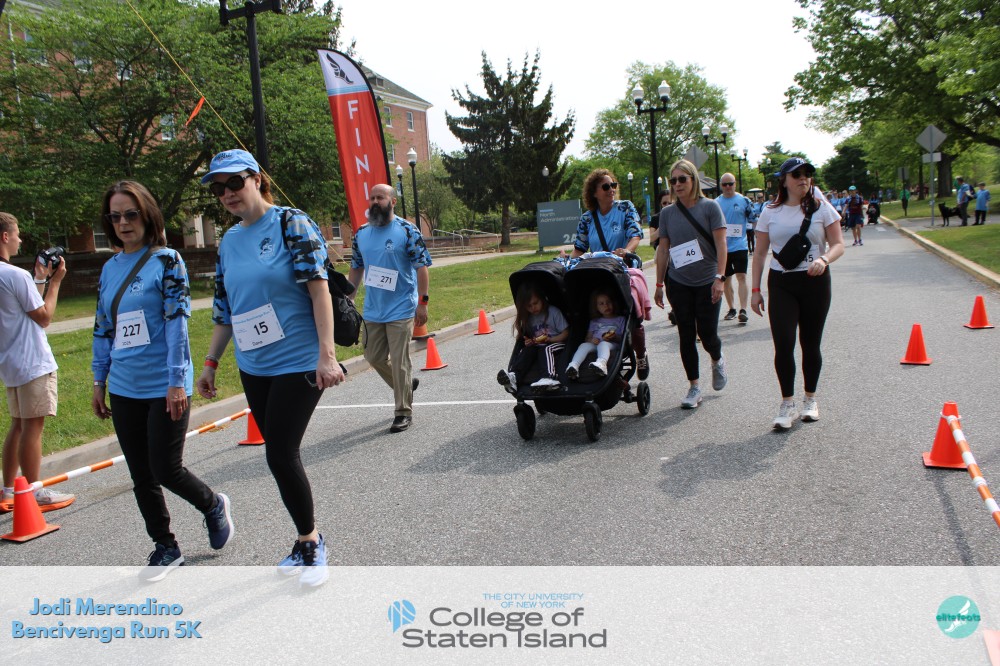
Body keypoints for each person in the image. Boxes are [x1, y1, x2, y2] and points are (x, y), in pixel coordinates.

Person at [196, 149, 344, 588]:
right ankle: (304, 541)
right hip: (253, 364)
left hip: (298, 359)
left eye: (234, 183)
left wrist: (327, 354)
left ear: (257, 179)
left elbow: (319, 290)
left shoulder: (290, 223)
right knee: (277, 454)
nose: (227, 193)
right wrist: (211, 363)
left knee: (280, 452)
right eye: (218, 188)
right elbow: (225, 307)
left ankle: (311, 542)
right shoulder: (228, 241)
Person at [91, 181, 232, 581]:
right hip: (124, 385)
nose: (123, 223)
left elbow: (177, 324)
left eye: (130, 214)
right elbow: (103, 327)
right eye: (115, 216)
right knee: (141, 474)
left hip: (164, 383)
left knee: (166, 468)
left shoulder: (168, 261)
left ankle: (212, 504)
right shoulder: (109, 268)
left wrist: (175, 381)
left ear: (147, 214)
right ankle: (166, 546)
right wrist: (99, 380)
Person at [750, 158, 845, 430]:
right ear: (784, 180)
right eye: (796, 175)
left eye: (806, 174)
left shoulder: (822, 208)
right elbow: (760, 253)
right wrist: (755, 291)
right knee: (784, 343)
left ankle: (810, 399)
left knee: (810, 343)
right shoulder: (770, 211)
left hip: (815, 282)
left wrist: (825, 259)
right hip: (782, 283)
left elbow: (838, 244)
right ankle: (787, 403)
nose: (803, 178)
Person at [0, 212, 75, 511]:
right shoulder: (14, 275)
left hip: (10, 362)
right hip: (32, 360)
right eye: (17, 234)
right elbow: (43, 316)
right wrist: (55, 282)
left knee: (18, 425)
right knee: (33, 427)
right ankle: (33, 492)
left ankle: (8, 490)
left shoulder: (12, 277)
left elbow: (25, 306)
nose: (20, 240)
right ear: (5, 236)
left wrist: (40, 278)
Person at [348, 183, 431, 432]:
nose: (375, 202)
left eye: (380, 198)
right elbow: (356, 267)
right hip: (373, 308)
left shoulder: (407, 230)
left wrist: (422, 303)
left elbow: (421, 268)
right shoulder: (361, 233)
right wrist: (350, 297)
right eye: (372, 198)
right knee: (373, 356)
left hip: (402, 306)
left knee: (399, 360)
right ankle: (405, 385)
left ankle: (403, 411)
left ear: (392, 202)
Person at [653, 159, 728, 409]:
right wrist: (659, 283)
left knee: (707, 334)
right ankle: (694, 387)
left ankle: (717, 359)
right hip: (679, 282)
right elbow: (663, 250)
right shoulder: (667, 214)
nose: (677, 184)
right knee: (686, 334)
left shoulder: (710, 207)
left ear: (693, 180)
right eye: (673, 180)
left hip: (707, 281)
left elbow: (721, 245)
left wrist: (720, 278)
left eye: (682, 179)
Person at [570, 169, 648, 378]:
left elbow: (635, 235)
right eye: (606, 186)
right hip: (598, 274)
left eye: (613, 185)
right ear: (594, 192)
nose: (611, 189)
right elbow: (579, 248)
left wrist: (627, 251)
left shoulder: (625, 208)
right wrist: (568, 260)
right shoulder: (587, 219)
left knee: (633, 314)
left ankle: (640, 354)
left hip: (621, 271)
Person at [497, 282, 569, 391]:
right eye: (529, 306)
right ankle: (514, 377)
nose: (533, 308)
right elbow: (534, 338)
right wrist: (530, 341)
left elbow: (566, 333)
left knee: (546, 349)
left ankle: (549, 377)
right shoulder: (530, 318)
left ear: (542, 299)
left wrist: (550, 339)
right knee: (527, 350)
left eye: (535, 303)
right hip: (540, 345)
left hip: (558, 343)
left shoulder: (553, 312)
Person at [717, 173, 757, 324]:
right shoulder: (716, 203)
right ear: (721, 186)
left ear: (735, 184)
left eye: (731, 184)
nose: (728, 187)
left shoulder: (744, 201)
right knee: (726, 279)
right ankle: (732, 308)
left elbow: (753, 219)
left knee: (741, 276)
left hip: (740, 245)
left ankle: (743, 309)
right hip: (723, 247)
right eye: (725, 184)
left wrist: (757, 236)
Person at [565, 291, 626, 379]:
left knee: (603, 344)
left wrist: (615, 337)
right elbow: (588, 338)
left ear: (613, 303)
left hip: (612, 344)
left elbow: (624, 338)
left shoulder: (620, 319)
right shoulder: (595, 321)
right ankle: (573, 366)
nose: (606, 305)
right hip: (596, 344)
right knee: (584, 345)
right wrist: (591, 340)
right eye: (601, 304)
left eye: (608, 302)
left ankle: (602, 363)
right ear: (596, 307)